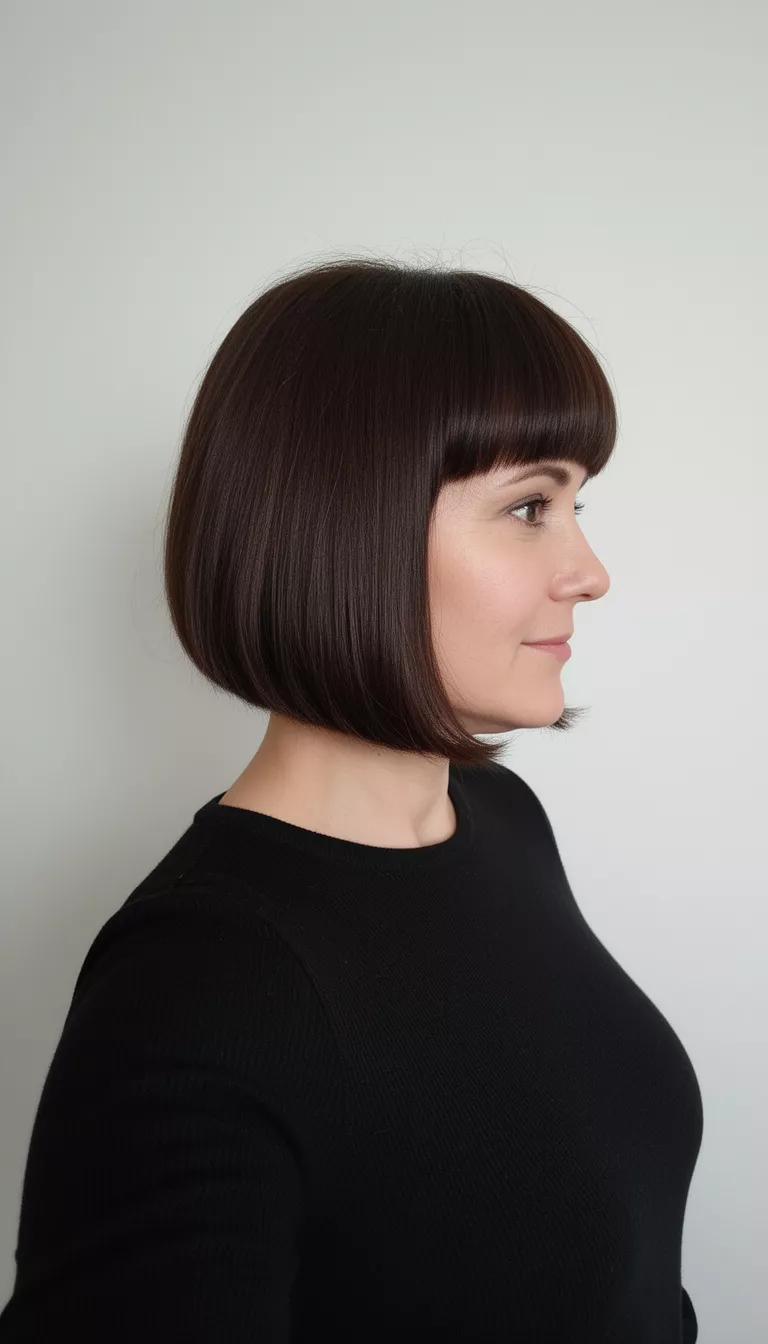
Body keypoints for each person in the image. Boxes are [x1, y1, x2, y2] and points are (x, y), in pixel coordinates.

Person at [0, 257, 702, 1341]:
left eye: (576, 503)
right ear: (351, 528)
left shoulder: (500, 826)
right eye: (529, 506)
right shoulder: (201, 986)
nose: (590, 569)